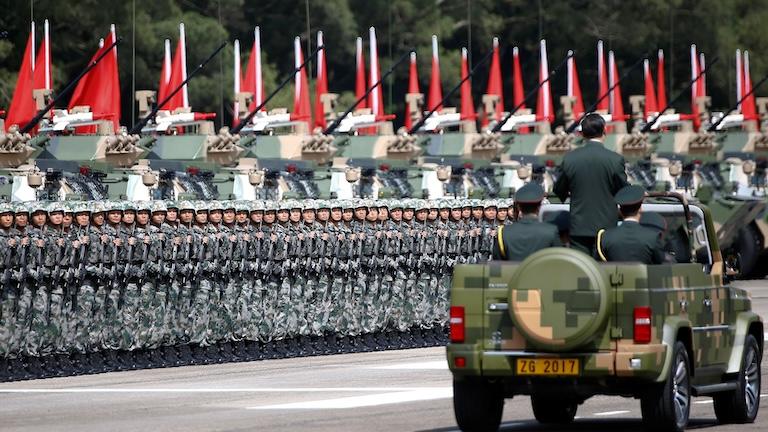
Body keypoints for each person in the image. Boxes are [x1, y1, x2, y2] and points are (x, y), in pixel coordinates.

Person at [554, 113, 628, 255]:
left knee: (582, 271)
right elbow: (624, 192)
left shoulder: (570, 159)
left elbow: (559, 190)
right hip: (607, 228)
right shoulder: (615, 159)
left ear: (582, 134)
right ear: (604, 130)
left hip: (579, 227)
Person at [596, 185, 665, 264]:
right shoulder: (652, 237)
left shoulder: (606, 237)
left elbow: (598, 265)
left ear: (620, 212)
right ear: (640, 209)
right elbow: (660, 264)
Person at [493, 183, 561, 261]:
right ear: (539, 206)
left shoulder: (503, 232)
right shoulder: (551, 231)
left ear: (518, 206)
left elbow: (497, 263)